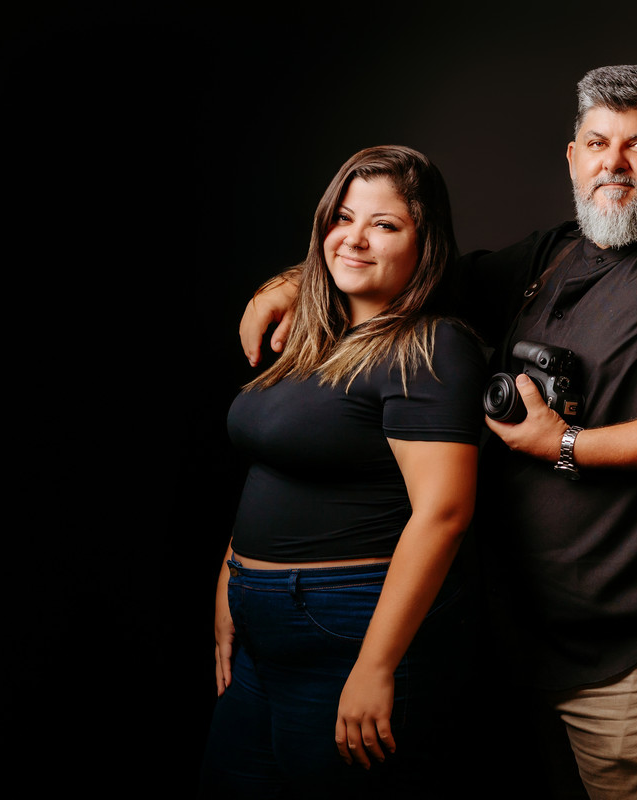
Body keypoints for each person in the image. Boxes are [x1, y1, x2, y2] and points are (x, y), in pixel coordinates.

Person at [238, 65, 637, 800]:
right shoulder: (550, 256)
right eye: (598, 143)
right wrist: (293, 281)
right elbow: (412, 268)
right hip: (530, 646)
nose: (614, 164)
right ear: (572, 157)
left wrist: (565, 445)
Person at [200, 145, 488, 799]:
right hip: (260, 630)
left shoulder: (430, 347)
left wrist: (376, 665)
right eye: (342, 218)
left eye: (384, 225)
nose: (354, 238)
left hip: (348, 626)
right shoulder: (311, 338)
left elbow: (444, 513)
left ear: (424, 245)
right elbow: (278, 465)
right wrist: (231, 573)